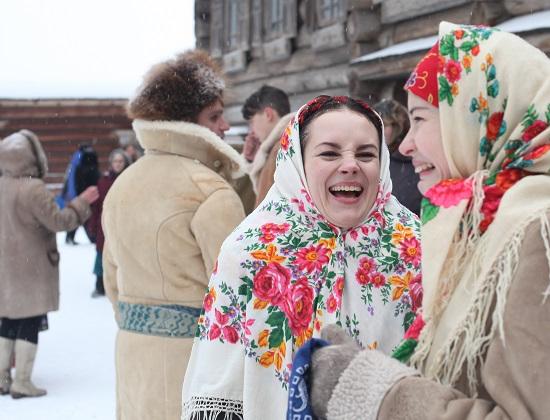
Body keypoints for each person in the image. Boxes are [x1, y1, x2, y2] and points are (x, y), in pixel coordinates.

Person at [307, 22, 550, 420]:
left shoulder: (537, 234)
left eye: (419, 119)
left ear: (479, 118)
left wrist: (381, 395)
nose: (405, 144)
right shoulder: (482, 222)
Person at [182, 95, 422, 420]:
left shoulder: (415, 243)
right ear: (298, 161)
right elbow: (219, 386)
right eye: (329, 153)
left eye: (366, 154)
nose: (351, 164)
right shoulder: (251, 250)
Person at [101, 49, 247, 420]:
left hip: (134, 357)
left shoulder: (123, 184)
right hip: (196, 367)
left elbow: (113, 282)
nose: (225, 127)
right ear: (186, 121)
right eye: (215, 115)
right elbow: (237, 295)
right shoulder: (208, 190)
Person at [0, 130, 98, 398]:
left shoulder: (2, 184)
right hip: (30, 267)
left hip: (5, 267)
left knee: (8, 320)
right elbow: (59, 221)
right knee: (30, 320)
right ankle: (22, 381)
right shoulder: (32, 188)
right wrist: (82, 202)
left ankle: (2, 379)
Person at [86, 149, 129, 298]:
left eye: (120, 161)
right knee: (101, 255)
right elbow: (97, 206)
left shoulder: (130, 179)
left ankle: (122, 287)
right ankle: (99, 285)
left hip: (124, 225)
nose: (118, 164)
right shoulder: (103, 181)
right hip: (104, 224)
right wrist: (92, 224)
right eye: (115, 161)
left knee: (123, 256)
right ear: (111, 163)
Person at [242, 85, 293, 207]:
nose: (252, 131)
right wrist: (253, 160)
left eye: (252, 122)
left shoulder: (282, 149)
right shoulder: (280, 145)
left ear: (268, 114)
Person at [374, 98, 422, 215]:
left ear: (398, 126)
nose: (378, 130)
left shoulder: (418, 160)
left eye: (384, 125)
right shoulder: (376, 159)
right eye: (375, 125)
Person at [57, 144, 100, 244]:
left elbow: (71, 178)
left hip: (80, 192)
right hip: (88, 192)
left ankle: (71, 236)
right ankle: (91, 236)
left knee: (79, 214)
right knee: (84, 215)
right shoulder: (87, 157)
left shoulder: (78, 157)